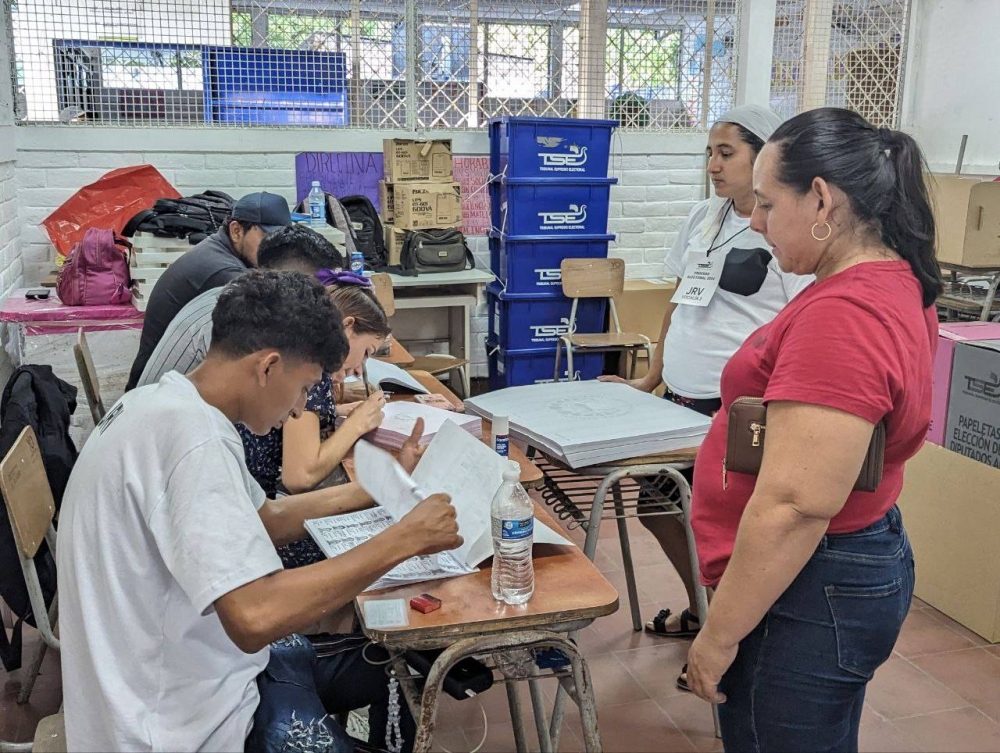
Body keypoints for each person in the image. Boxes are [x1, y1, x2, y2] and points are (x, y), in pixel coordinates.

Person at [57, 270, 462, 752]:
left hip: (190, 674)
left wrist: (379, 490)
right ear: (268, 366)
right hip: (174, 724)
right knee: (391, 666)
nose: (299, 410)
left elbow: (266, 517)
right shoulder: (193, 442)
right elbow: (255, 617)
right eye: (305, 387)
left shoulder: (168, 404)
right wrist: (402, 540)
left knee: (399, 668)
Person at [685, 107, 940, 752]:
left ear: (821, 197)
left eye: (769, 203)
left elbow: (796, 505)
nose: (754, 220)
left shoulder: (846, 313)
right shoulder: (874, 280)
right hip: (825, 573)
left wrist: (718, 637)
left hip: (808, 583)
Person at [600, 105, 811, 677]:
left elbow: (798, 317)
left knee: (732, 523)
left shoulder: (783, 226)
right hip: (683, 395)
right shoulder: (704, 217)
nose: (713, 165)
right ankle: (707, 607)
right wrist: (650, 379)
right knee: (657, 505)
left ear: (763, 158)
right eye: (709, 153)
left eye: (726, 153)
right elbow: (680, 302)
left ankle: (738, 630)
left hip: (738, 406)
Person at [239, 273, 393, 568]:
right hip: (265, 524)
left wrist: (338, 412)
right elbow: (300, 476)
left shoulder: (299, 353)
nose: (359, 368)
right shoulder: (315, 365)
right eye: (365, 353)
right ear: (348, 327)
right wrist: (357, 424)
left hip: (260, 507)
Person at [135, 223, 343, 388]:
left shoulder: (245, 298)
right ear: (291, 281)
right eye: (316, 293)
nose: (318, 304)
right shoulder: (235, 315)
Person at [125, 191, 293, 391]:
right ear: (237, 230)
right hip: (156, 396)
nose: (276, 250)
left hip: (172, 386)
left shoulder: (218, 250)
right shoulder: (222, 271)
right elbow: (278, 322)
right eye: (268, 238)